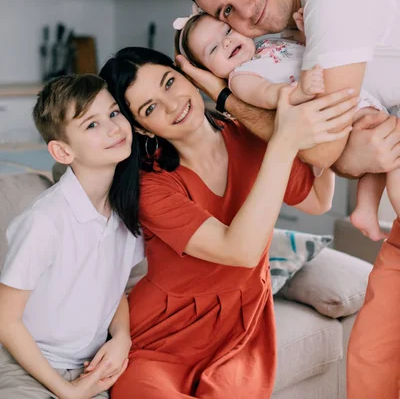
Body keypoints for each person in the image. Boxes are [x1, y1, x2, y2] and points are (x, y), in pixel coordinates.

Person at [179, 0, 400, 397]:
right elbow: (327, 155)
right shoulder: (294, 33)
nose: (242, 13)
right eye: (225, 12)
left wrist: (221, 97)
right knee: (371, 362)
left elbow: (319, 149)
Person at [99, 46, 356, 398]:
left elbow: (316, 201)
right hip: (162, 332)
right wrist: (284, 141)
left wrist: (320, 127)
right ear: (142, 129)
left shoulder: (251, 134)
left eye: (170, 82)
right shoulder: (151, 183)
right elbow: (241, 251)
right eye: (150, 107)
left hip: (241, 321)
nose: (173, 104)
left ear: (189, 76)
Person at [173, 10, 399, 241]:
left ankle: (366, 208)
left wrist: (302, 31)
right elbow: (268, 94)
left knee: (385, 155)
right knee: (393, 151)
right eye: (212, 49)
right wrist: (299, 91)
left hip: (353, 97)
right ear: (209, 72)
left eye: (228, 31)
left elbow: (303, 50)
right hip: (333, 111)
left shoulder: (267, 44)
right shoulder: (241, 78)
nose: (227, 41)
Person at [0, 74, 145, 399]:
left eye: (112, 113)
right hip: (25, 364)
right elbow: (5, 320)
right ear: (63, 151)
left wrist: (122, 337)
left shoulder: (123, 211)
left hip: (89, 365)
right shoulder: (46, 220)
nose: (113, 128)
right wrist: (66, 391)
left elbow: (116, 288)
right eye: (91, 125)